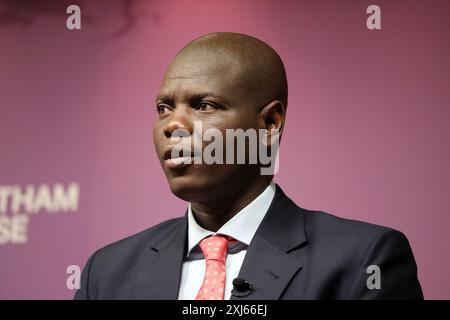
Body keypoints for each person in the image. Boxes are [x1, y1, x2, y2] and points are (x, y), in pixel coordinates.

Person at [74, 32, 423, 300]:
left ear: (269, 123)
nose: (171, 124)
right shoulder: (106, 274)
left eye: (204, 105)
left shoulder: (363, 260)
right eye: (164, 108)